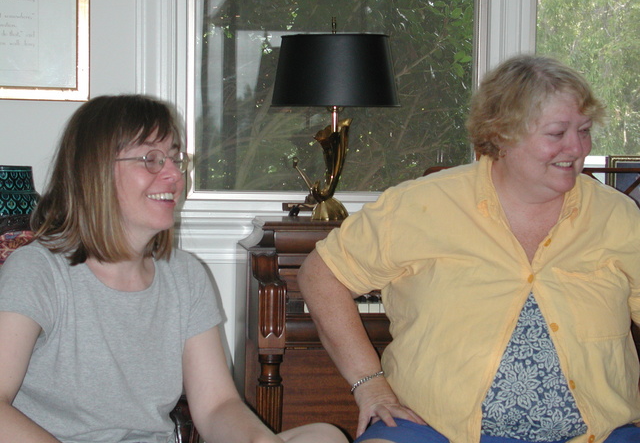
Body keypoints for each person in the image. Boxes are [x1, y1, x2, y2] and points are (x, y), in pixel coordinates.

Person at [297, 55, 640, 443]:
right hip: (433, 430)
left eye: (584, 130)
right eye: (557, 133)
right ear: (502, 134)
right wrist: (370, 384)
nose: (576, 147)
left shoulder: (616, 215)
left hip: (599, 434)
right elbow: (321, 276)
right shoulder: (422, 205)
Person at [0, 95, 348, 443]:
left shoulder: (185, 275)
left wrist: (260, 442)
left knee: (324, 436)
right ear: (96, 170)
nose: (174, 176)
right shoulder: (38, 271)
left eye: (176, 159)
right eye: (151, 159)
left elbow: (217, 405)